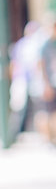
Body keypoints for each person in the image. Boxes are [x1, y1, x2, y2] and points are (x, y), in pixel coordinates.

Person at [39, 14, 56, 146]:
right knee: (49, 113)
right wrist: (45, 84)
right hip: (51, 83)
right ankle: (48, 138)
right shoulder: (45, 45)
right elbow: (41, 65)